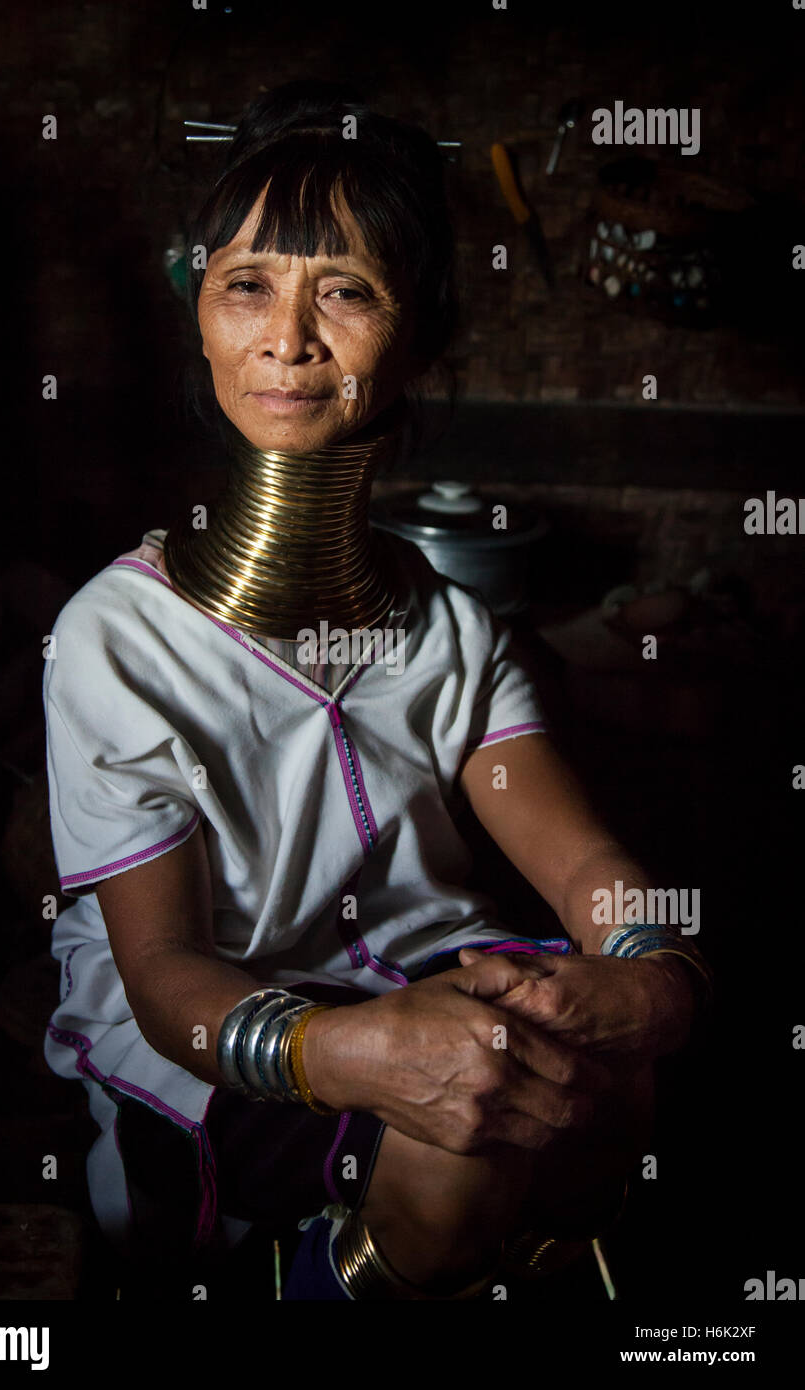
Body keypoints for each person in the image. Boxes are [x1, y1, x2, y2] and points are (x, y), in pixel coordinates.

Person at [43, 80, 712, 1300]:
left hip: (437, 986)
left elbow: (583, 867)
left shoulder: (449, 629)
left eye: (345, 291)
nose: (287, 338)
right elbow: (165, 977)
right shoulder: (118, 637)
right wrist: (349, 1048)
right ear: (198, 312)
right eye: (248, 284)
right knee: (470, 1132)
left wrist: (655, 969)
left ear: (420, 340)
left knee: (593, 1083)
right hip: (209, 1030)